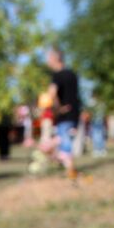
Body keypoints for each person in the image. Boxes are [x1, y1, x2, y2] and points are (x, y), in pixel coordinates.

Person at [46, 47, 81, 180]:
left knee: (64, 142)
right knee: (64, 140)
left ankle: (69, 171)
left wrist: (58, 107)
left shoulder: (57, 75)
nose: (47, 62)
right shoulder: (73, 74)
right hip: (74, 113)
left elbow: (51, 93)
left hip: (64, 114)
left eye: (49, 58)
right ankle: (68, 169)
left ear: (55, 59)